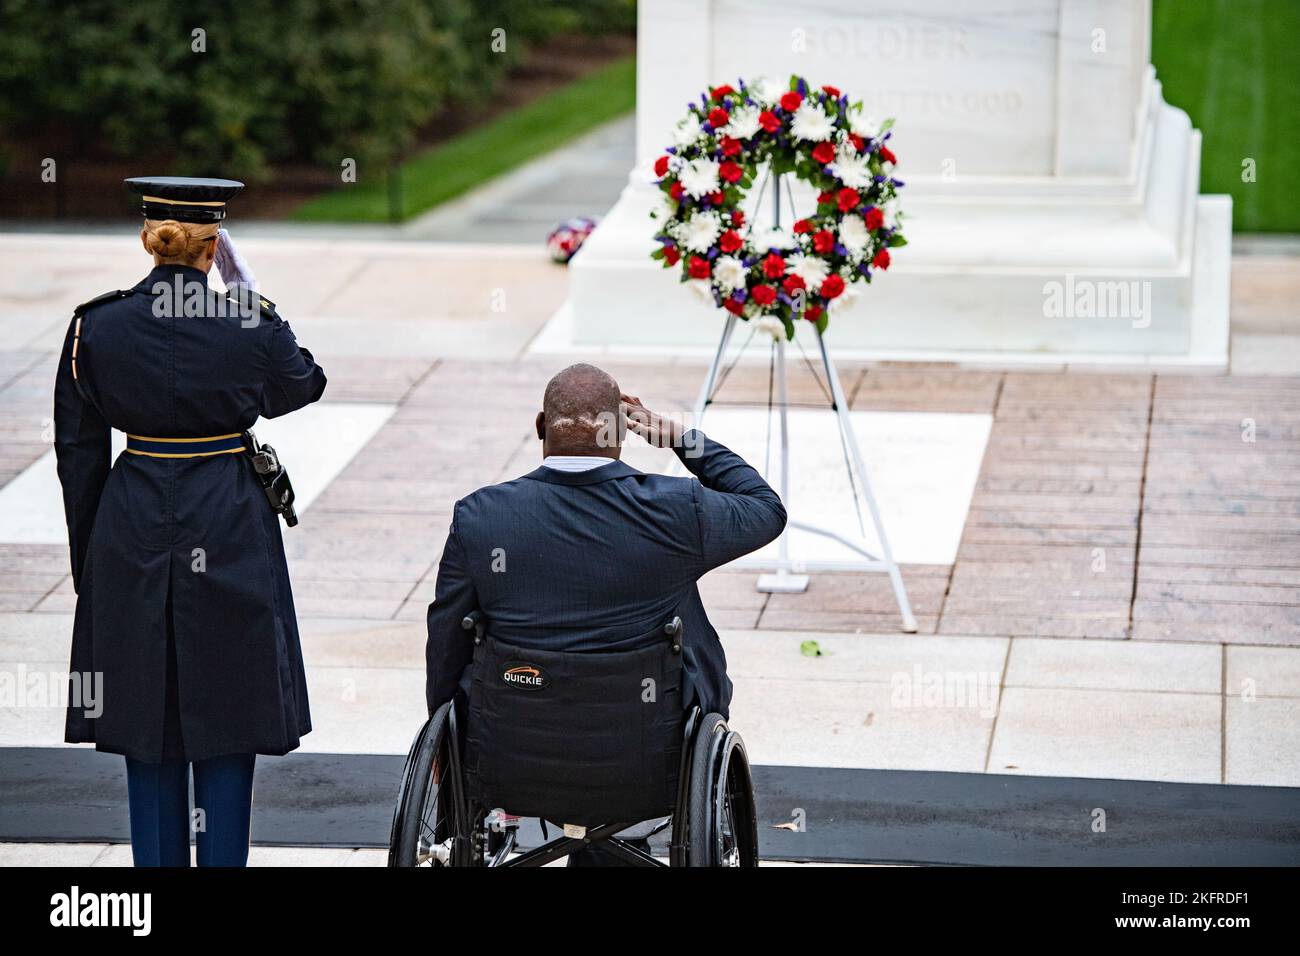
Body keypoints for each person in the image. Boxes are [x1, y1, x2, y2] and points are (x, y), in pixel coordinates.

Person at [54, 176, 327, 867]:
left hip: (131, 517)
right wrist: (255, 302)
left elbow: (79, 453)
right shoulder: (246, 322)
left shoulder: (97, 326)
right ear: (215, 247)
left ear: (148, 239)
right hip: (228, 517)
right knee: (229, 710)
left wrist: (93, 561)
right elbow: (303, 385)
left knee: (144, 716)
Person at [424, 363, 786, 863]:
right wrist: (681, 438)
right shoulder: (678, 510)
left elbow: (447, 638)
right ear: (619, 433)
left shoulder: (481, 516)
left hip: (510, 753)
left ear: (539, 428)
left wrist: (445, 736)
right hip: (648, 755)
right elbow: (766, 508)